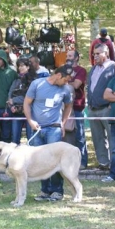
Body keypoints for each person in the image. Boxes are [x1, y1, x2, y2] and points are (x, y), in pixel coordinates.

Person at [24, 65, 73, 202]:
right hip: (36, 129)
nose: (67, 83)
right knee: (39, 161)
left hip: (54, 129)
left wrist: (63, 123)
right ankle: (44, 191)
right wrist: (30, 121)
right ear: (58, 75)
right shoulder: (37, 84)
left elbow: (69, 105)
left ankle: (57, 191)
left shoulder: (65, 89)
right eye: (66, 79)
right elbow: (27, 103)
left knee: (55, 160)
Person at [86, 43, 115, 169]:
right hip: (93, 108)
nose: (95, 56)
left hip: (106, 108)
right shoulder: (93, 68)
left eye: (98, 53)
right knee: (97, 137)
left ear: (106, 53)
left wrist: (112, 104)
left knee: (112, 136)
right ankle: (103, 162)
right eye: (94, 54)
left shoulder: (113, 67)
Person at [66, 50, 88, 169]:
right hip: (64, 107)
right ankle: (69, 162)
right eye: (66, 56)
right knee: (67, 135)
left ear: (76, 58)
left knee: (79, 135)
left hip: (77, 105)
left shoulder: (81, 70)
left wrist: (65, 80)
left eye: (69, 56)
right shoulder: (62, 69)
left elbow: (75, 85)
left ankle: (83, 161)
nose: (67, 58)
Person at [6, 58, 37, 144]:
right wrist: (11, 106)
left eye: (22, 65)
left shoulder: (33, 81)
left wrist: (14, 100)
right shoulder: (16, 80)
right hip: (16, 112)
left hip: (30, 113)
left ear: (28, 67)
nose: (20, 67)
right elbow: (10, 94)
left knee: (31, 138)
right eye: (19, 66)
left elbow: (29, 96)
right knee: (15, 138)